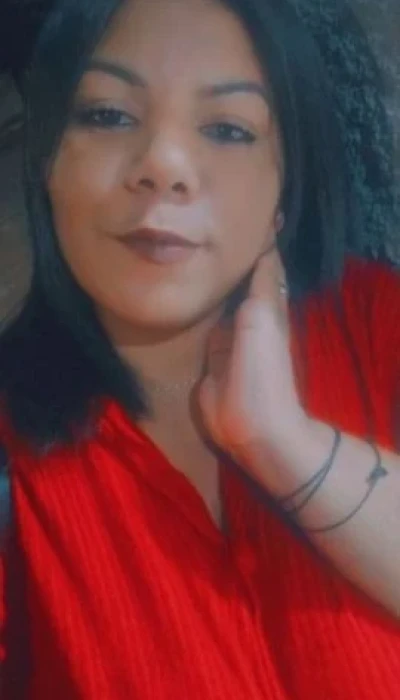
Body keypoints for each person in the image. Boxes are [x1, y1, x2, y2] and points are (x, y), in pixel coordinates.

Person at [0, 0, 399, 696]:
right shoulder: (14, 458)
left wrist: (285, 443)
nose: (164, 164)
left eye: (227, 128)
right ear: (48, 167)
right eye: (108, 115)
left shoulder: (376, 322)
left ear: (284, 192)